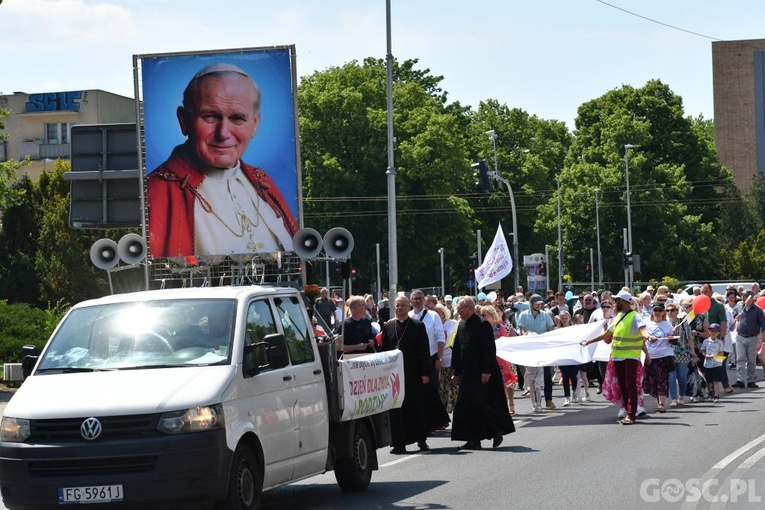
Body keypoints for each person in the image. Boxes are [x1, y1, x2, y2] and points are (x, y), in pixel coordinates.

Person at [147, 63, 298, 257]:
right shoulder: (156, 191)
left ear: (255, 124)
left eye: (237, 118)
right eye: (210, 116)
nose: (223, 133)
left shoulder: (262, 182)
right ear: (183, 120)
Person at [380, 295, 448, 454]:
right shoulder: (388, 326)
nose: (399, 308)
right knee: (396, 411)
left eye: (402, 305)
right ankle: (398, 444)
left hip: (414, 374)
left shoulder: (417, 326)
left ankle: (421, 440)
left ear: (408, 307)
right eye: (397, 306)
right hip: (394, 376)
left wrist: (425, 373)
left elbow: (424, 351)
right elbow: (384, 351)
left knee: (415, 408)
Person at [450, 297, 515, 450]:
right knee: (466, 406)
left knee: (480, 404)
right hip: (466, 372)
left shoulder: (482, 324)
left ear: (469, 308)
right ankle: (473, 439)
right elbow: (457, 350)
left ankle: (496, 429)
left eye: (460, 308)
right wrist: (455, 372)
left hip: (482, 373)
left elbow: (489, 349)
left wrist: (486, 371)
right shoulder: (461, 325)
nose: (458, 311)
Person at [583, 289, 653, 425]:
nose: (615, 303)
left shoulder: (634, 316)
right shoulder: (618, 317)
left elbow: (642, 329)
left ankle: (631, 415)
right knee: (623, 385)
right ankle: (628, 411)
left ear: (623, 302)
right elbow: (606, 335)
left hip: (631, 356)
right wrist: (589, 341)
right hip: (617, 357)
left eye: (616, 300)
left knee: (631, 384)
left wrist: (648, 336)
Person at [516, 294, 557, 410]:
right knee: (532, 375)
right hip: (530, 349)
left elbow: (551, 330)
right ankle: (535, 402)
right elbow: (522, 330)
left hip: (544, 348)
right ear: (531, 303)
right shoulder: (523, 315)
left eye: (541, 303)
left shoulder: (546, 315)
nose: (539, 305)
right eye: (537, 303)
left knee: (547, 374)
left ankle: (548, 400)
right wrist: (529, 335)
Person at [479, 305, 517, 415]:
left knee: (503, 385)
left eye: (485, 315)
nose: (483, 317)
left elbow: (505, 344)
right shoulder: (481, 328)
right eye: (481, 315)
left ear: (492, 316)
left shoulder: (501, 328)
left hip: (500, 360)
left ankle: (507, 405)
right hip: (487, 361)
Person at [642, 303, 675, 413]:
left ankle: (661, 404)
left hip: (663, 356)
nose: (657, 312)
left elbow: (672, 339)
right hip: (650, 356)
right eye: (655, 310)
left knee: (662, 380)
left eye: (659, 310)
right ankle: (659, 402)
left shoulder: (667, 325)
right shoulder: (647, 324)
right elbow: (643, 338)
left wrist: (672, 338)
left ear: (663, 312)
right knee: (653, 381)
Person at [409, 290, 445, 382]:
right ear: (411, 301)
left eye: (420, 298)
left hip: (431, 358)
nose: (417, 301)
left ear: (424, 300)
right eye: (415, 299)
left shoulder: (433, 316)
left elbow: (440, 338)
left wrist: (439, 358)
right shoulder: (408, 316)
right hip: (413, 359)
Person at [731, 290, 765, 388]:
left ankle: (750, 380)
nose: (744, 298)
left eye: (746, 296)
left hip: (752, 337)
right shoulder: (739, 308)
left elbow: (763, 324)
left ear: (751, 298)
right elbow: (732, 323)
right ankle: (740, 380)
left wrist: (763, 335)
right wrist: (736, 319)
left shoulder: (757, 310)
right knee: (740, 358)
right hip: (740, 336)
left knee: (751, 359)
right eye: (743, 296)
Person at [666, 302, 697, 407]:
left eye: (672, 310)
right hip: (669, 354)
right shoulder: (666, 324)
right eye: (667, 310)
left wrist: (692, 351)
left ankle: (682, 395)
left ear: (677, 311)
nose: (669, 312)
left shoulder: (684, 323)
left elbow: (689, 338)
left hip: (683, 354)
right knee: (671, 376)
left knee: (682, 376)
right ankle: (673, 399)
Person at [435, 304, 459, 414]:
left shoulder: (453, 324)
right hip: (439, 360)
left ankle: (454, 409)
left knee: (452, 387)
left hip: (451, 358)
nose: (438, 315)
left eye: (440, 312)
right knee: (441, 388)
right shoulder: (433, 325)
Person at [701, 323, 726, 403]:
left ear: (718, 333)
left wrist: (715, 355)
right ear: (709, 331)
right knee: (708, 380)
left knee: (716, 380)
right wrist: (706, 355)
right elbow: (703, 350)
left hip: (717, 363)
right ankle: (710, 393)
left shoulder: (719, 342)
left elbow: (722, 352)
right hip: (708, 363)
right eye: (712, 331)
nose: (713, 332)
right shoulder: (706, 341)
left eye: (715, 331)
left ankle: (716, 395)